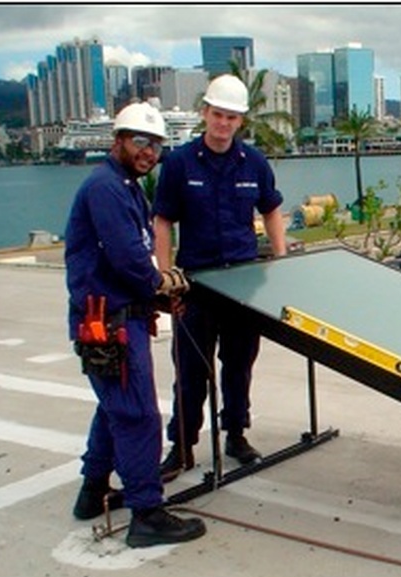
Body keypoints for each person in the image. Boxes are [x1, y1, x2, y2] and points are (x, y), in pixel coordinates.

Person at [65, 102, 206, 548]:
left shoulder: (126, 187)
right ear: (119, 141)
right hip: (111, 322)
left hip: (121, 316)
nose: (148, 152)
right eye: (140, 141)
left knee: (114, 407)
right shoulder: (106, 188)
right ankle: (147, 513)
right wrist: (161, 284)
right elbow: (128, 260)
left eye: (156, 145)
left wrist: (158, 297)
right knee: (137, 415)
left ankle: (92, 491)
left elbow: (131, 259)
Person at [153, 74, 287, 482]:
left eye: (231, 117)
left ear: (240, 121)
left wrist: (281, 261)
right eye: (217, 114)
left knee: (239, 364)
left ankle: (235, 434)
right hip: (198, 285)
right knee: (191, 369)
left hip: (245, 283)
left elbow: (272, 210)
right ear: (204, 114)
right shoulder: (180, 163)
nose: (223, 123)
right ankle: (181, 446)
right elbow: (162, 221)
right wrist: (164, 274)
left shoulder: (254, 163)